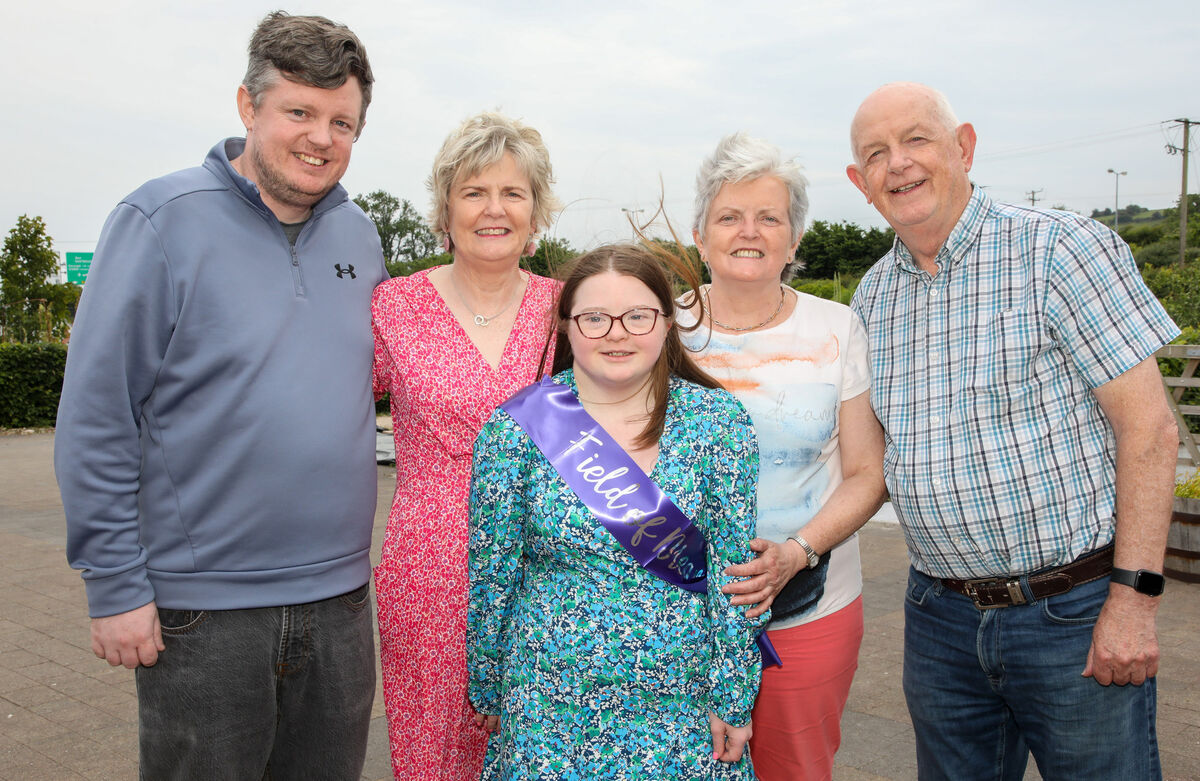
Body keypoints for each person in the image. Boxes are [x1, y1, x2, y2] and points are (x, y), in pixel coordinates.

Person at [54, 12, 385, 779]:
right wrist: (114, 586)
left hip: (339, 604)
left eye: (342, 121)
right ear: (247, 106)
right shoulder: (158, 221)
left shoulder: (360, 238)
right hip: (201, 615)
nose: (321, 137)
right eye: (299, 111)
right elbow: (98, 415)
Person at [846, 82, 1180, 780]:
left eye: (916, 140)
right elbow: (867, 459)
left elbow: (1150, 431)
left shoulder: (1060, 250)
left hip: (1073, 611)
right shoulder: (872, 295)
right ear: (861, 183)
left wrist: (1133, 599)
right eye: (876, 154)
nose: (898, 164)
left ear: (963, 146)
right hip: (940, 618)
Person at [466, 242, 767, 780]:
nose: (617, 333)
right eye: (595, 318)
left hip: (686, 701)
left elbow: (732, 574)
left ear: (668, 321)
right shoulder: (516, 428)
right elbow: (493, 571)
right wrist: (488, 683)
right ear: (566, 326)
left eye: (637, 315)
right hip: (550, 704)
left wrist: (734, 695)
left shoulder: (720, 421)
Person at [676, 132, 886, 780]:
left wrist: (797, 551)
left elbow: (866, 472)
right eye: (730, 216)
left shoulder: (837, 327)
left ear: (793, 239)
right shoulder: (658, 327)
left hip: (808, 608)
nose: (749, 231)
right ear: (700, 231)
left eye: (769, 217)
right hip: (675, 616)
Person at [371, 111, 563, 780]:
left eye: (513, 193)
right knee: (433, 750)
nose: (494, 209)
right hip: (427, 570)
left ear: (536, 211)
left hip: (548, 569)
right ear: (444, 207)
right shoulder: (391, 306)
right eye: (474, 191)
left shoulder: (572, 310)